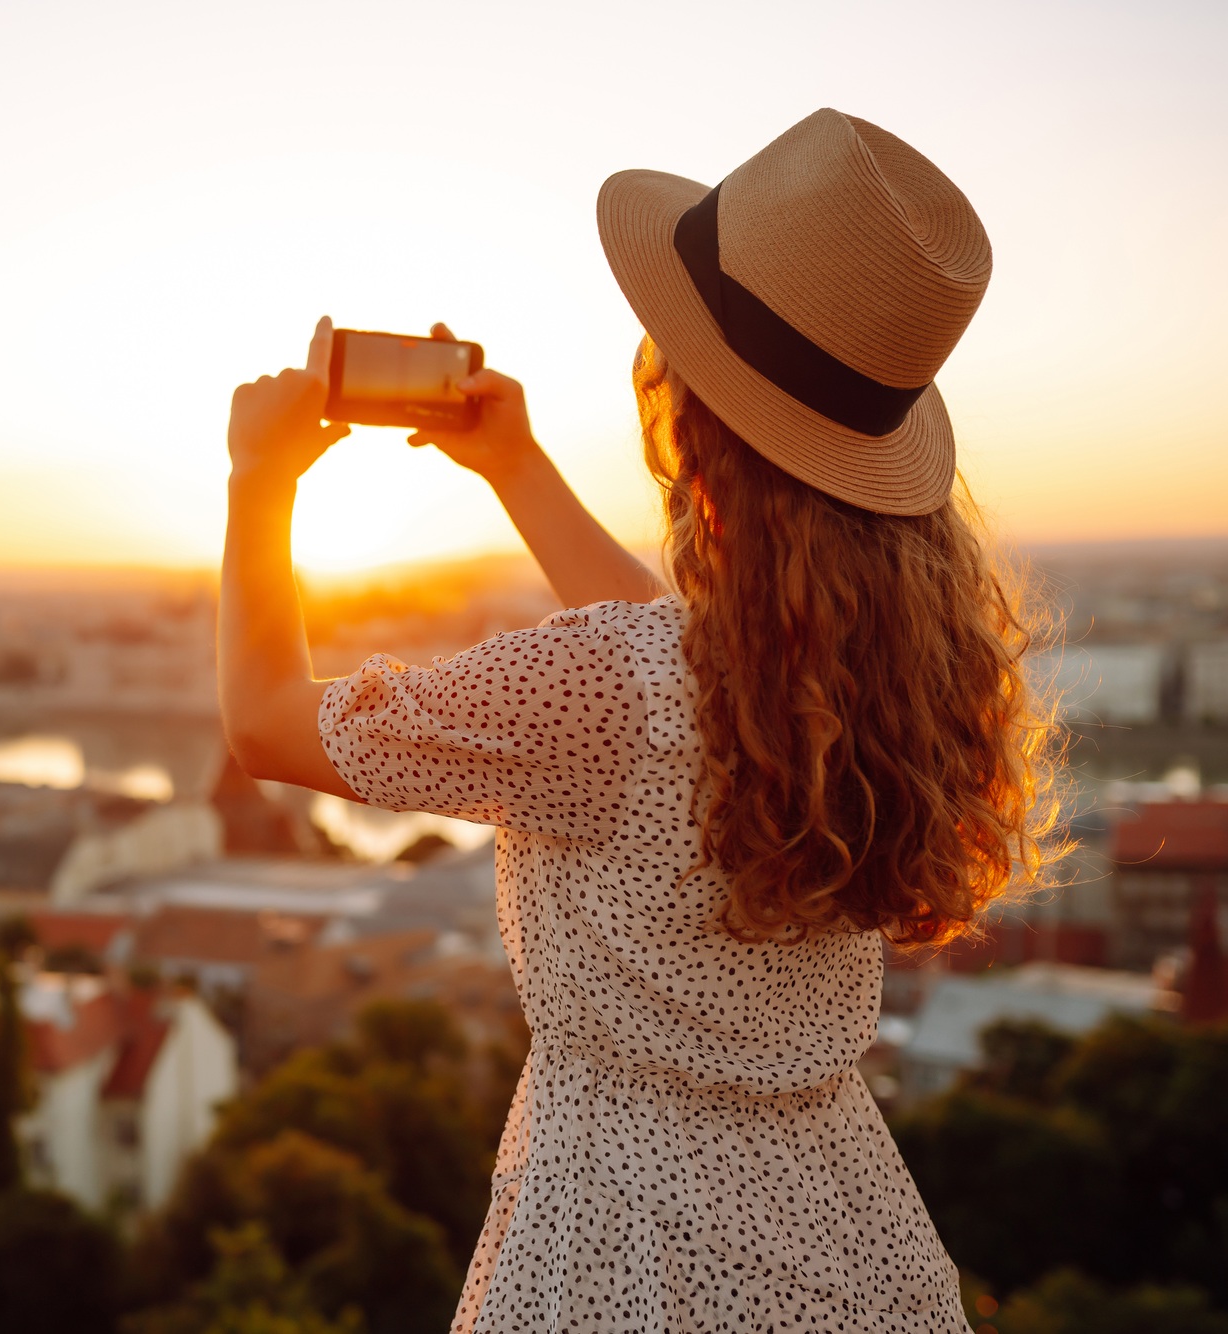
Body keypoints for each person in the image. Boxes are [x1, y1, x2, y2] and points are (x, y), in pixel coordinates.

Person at [217, 108, 1060, 1331]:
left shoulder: (611, 685)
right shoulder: (880, 675)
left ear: (686, 416)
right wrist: (513, 465)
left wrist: (259, 482)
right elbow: (675, 674)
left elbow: (262, 726)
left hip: (623, 1234)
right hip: (839, 1226)